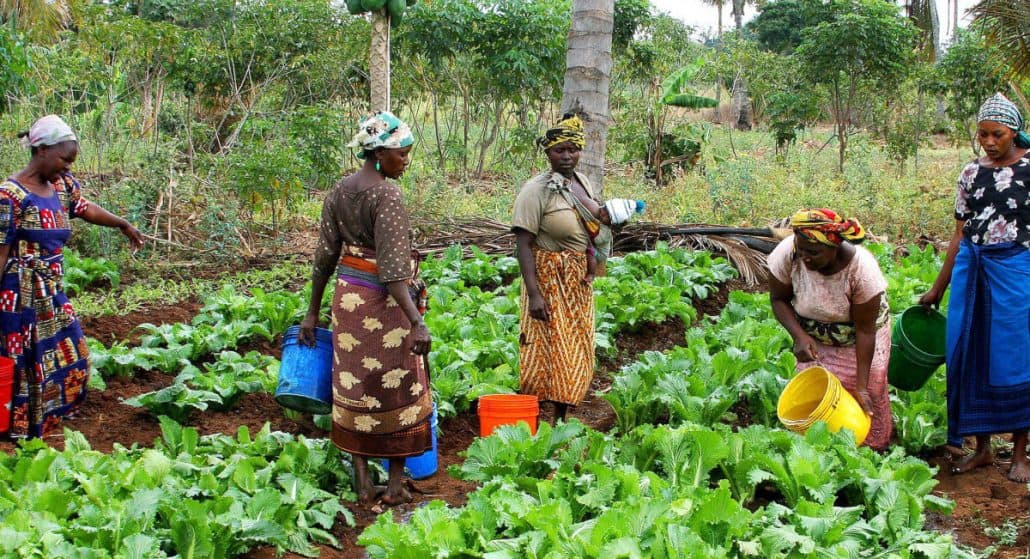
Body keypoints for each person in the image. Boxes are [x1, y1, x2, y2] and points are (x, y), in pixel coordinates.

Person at [299, 110, 431, 505]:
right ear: (379, 153)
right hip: (384, 305)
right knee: (396, 387)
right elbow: (392, 272)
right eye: (402, 154)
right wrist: (416, 321)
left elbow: (325, 257)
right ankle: (392, 486)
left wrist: (312, 312)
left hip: (348, 301)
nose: (405, 161)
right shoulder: (387, 194)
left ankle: (360, 481)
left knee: (354, 385)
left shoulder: (340, 190)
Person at [1, 115, 144, 439]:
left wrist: (122, 223)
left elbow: (84, 207)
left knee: (72, 354)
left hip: (51, 288)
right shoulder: (8, 196)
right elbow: (0, 250)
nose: (67, 167)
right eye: (64, 159)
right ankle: (23, 431)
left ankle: (50, 420)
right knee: (27, 363)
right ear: (42, 150)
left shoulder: (62, 186)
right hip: (19, 294)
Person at [919, 93, 1030, 482]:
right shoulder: (971, 173)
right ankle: (982, 449)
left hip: (1014, 268)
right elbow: (959, 233)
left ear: (1013, 132)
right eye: (982, 134)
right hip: (972, 266)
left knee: (1014, 355)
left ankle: (1019, 451)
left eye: (996, 134)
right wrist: (938, 287)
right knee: (966, 352)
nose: (988, 141)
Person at [768, 209, 893, 450]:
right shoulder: (787, 254)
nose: (805, 258)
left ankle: (874, 449)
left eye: (813, 252)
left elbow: (865, 332)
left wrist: (860, 385)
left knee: (867, 393)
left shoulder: (862, 271)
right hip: (815, 336)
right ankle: (821, 449)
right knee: (817, 393)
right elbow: (778, 300)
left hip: (860, 338)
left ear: (834, 247)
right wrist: (799, 336)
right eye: (800, 249)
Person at [511, 113, 600, 423]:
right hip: (549, 278)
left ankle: (560, 417)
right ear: (547, 153)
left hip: (576, 281)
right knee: (545, 348)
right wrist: (534, 294)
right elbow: (523, 244)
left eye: (572, 149)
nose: (566, 156)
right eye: (559, 150)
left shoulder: (582, 182)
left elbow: (591, 226)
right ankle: (533, 419)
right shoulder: (536, 191)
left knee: (575, 346)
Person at [584, 198, 645, 284]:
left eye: (607, 215)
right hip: (595, 243)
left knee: (590, 252)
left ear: (612, 223)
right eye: (604, 208)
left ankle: (591, 274)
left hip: (599, 253)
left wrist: (584, 227)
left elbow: (595, 240)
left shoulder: (606, 233)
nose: (602, 212)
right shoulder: (601, 218)